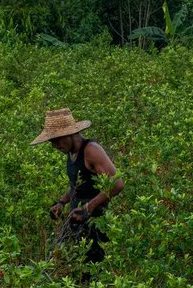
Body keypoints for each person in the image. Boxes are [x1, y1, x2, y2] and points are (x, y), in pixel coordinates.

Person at [31, 108, 124, 264]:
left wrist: (88, 208)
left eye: (57, 140)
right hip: (77, 218)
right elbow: (78, 184)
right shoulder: (71, 152)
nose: (55, 146)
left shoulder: (91, 150)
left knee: (91, 268)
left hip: (95, 221)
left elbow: (117, 184)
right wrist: (61, 202)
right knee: (62, 261)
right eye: (51, 141)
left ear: (71, 134)